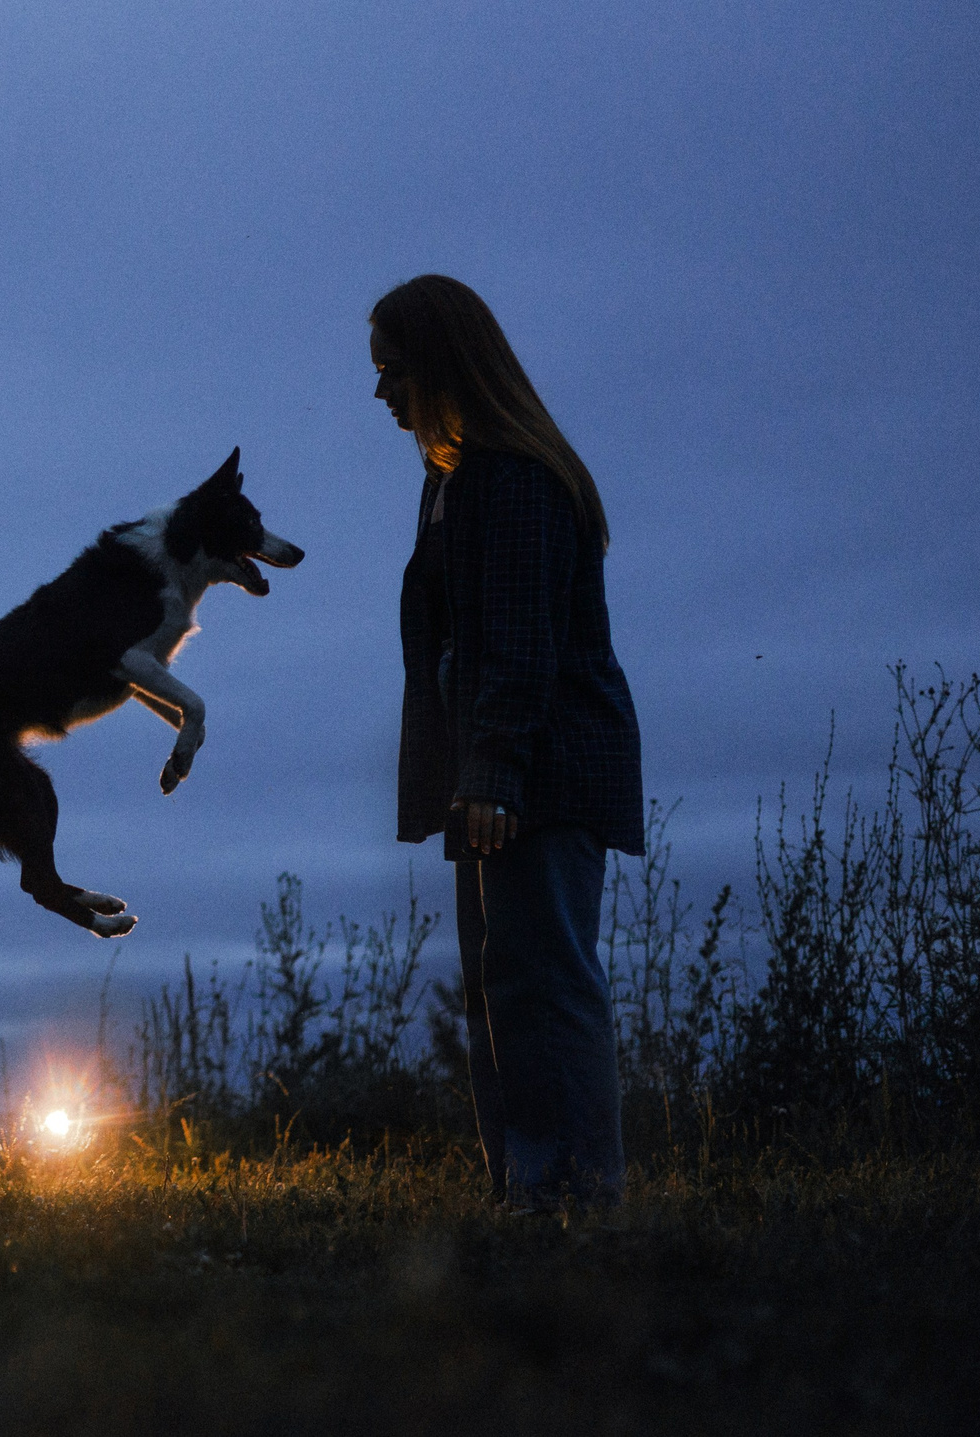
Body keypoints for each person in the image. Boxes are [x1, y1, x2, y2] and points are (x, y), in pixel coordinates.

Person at [370, 274, 644, 1211]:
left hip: (539, 770)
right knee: (501, 985)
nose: (382, 392)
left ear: (442, 363)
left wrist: (493, 770)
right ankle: (527, 1191)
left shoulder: (514, 477)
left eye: (393, 370)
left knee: (544, 979)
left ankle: (572, 1195)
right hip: (498, 770)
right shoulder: (454, 482)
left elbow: (520, 642)